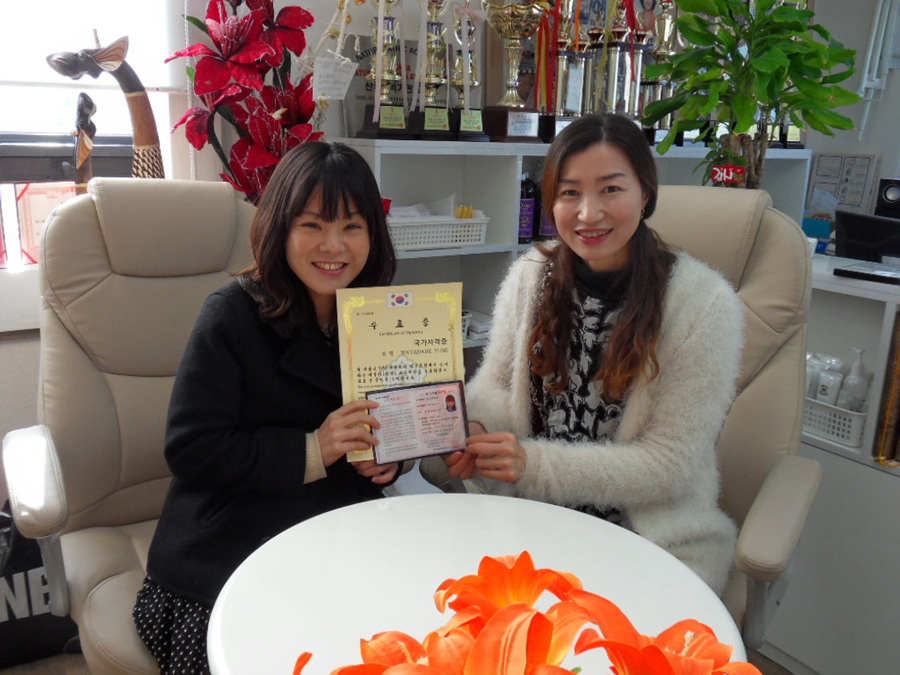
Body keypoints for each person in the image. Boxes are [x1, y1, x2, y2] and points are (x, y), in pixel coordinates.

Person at [421, 113, 743, 595]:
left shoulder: (703, 303)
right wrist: (479, 427)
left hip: (644, 540)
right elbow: (498, 385)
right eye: (570, 192)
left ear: (645, 193)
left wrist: (532, 465)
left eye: (611, 189)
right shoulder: (531, 275)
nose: (588, 213)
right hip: (530, 522)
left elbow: (669, 465)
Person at [133, 141, 400, 674]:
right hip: (226, 543)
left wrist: (390, 456)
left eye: (352, 226)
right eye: (312, 225)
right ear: (280, 227)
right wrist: (313, 450)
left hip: (334, 532)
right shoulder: (231, 314)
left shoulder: (379, 314)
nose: (333, 246)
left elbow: (387, 415)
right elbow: (190, 448)